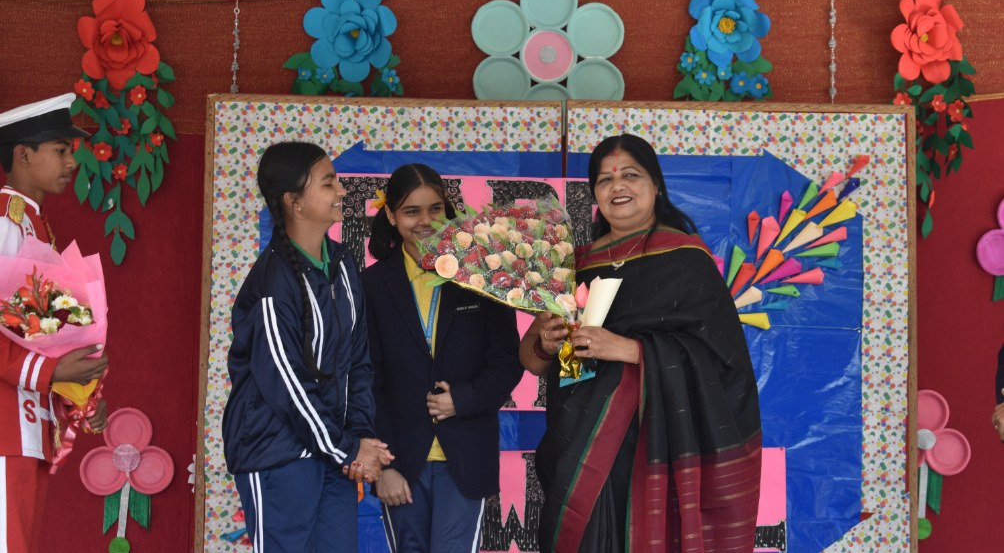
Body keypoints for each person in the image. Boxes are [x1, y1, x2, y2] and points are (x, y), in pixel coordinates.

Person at [521, 134, 762, 553]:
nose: (618, 186)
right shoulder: (575, 263)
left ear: (656, 185)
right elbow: (534, 361)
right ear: (595, 194)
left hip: (654, 440)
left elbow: (725, 362)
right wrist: (547, 342)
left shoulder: (686, 259)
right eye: (604, 179)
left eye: (630, 175)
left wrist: (630, 350)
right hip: (577, 437)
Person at [222, 142, 392, 553]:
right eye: (328, 183)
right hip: (278, 455)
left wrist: (359, 439)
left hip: (334, 453)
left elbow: (358, 362)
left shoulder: (343, 264)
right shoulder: (271, 283)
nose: (342, 191)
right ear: (294, 202)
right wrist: (347, 448)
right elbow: (287, 383)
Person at [362, 164, 523, 553]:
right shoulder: (371, 285)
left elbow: (507, 360)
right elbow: (366, 380)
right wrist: (384, 466)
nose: (425, 221)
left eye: (435, 209)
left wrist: (463, 399)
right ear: (391, 215)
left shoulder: (481, 274)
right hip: (401, 459)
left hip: (465, 455)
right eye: (411, 211)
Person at [0, 93, 109, 553]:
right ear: (23, 155)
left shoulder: (36, 225)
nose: (72, 162)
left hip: (27, 422)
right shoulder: (6, 222)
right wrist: (52, 371)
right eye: (61, 150)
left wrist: (80, 396)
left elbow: (42, 334)